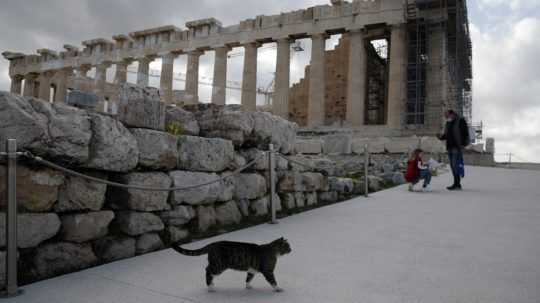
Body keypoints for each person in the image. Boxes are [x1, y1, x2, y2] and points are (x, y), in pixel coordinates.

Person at [438, 110, 470, 190]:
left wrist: (463, 144)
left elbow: (465, 133)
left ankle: (457, 184)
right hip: (450, 147)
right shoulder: (448, 123)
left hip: (457, 146)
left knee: (455, 165)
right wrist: (440, 137)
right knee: (452, 166)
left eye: (447, 115)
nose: (446, 117)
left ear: (452, 114)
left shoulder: (460, 121)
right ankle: (456, 184)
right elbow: (446, 135)